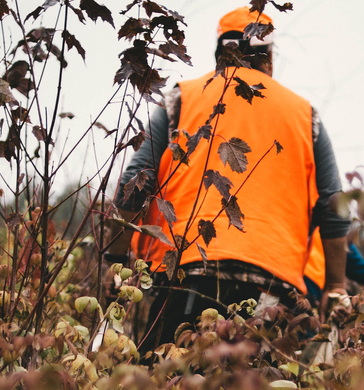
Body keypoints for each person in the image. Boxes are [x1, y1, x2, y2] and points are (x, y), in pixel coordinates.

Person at [106, 6, 351, 357]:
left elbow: (134, 182)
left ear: (220, 55)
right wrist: (337, 286)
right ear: (268, 58)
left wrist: (115, 262)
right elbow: (333, 206)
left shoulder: (181, 99)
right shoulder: (305, 116)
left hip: (186, 279)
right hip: (274, 293)